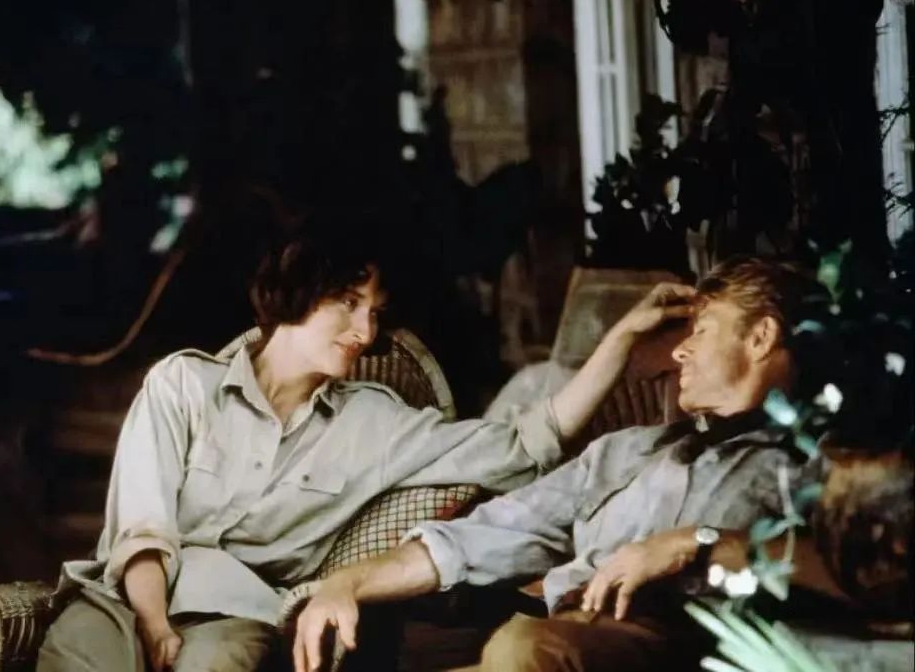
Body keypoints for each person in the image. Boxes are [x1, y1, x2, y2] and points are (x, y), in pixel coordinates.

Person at [35, 227, 693, 672]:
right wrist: (152, 624)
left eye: (375, 311)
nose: (366, 330)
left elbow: (524, 443)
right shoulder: (182, 384)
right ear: (294, 292)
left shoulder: (375, 422)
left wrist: (620, 340)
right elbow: (143, 525)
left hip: (229, 614)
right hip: (124, 596)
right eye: (348, 303)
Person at [294, 256, 825, 672]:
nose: (680, 352)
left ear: (760, 337)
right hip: (562, 635)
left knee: (523, 649)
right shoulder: (630, 450)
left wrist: (696, 543)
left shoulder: (816, 458)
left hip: (674, 638)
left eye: (702, 331)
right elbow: (492, 532)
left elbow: (842, 566)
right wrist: (348, 582)